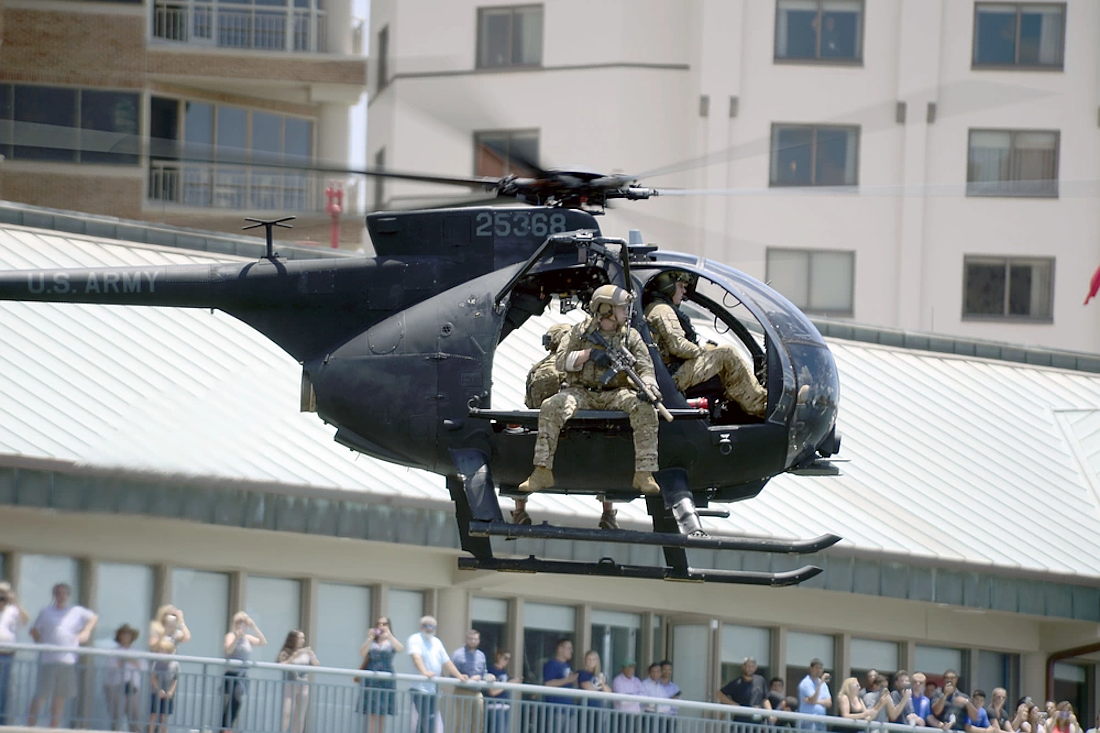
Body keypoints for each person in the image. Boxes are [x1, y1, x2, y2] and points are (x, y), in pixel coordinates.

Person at [518, 284, 662, 530]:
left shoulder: (631, 336)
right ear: (605, 309)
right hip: (581, 391)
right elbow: (562, 361)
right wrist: (588, 355)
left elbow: (646, 368)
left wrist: (649, 386)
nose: (626, 312)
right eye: (620, 308)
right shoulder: (580, 332)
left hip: (616, 393)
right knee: (551, 406)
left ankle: (644, 473)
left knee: (645, 409)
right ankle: (542, 470)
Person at [643, 270, 767, 418]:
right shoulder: (662, 309)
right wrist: (702, 352)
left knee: (717, 356)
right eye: (681, 286)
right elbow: (679, 346)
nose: (684, 291)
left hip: (669, 373)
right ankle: (760, 405)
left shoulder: (654, 308)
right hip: (673, 376)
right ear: (667, 287)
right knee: (726, 353)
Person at [512, 322, 573, 526]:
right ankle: (608, 512)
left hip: (541, 440)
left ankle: (519, 510)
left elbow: (530, 404)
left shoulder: (537, 370)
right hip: (576, 435)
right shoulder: (574, 368)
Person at [28, 582, 98, 728]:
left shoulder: (76, 610)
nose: (62, 596)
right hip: (49, 660)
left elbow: (93, 617)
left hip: (68, 660)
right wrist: (41, 643)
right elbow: (34, 630)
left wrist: (86, 632)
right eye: (59, 593)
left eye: (65, 593)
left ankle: (53, 727)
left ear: (68, 595)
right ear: (54, 595)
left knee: (60, 696)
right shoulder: (46, 611)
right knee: (41, 694)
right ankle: (30, 726)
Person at [407, 615, 466, 733]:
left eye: (432, 626)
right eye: (427, 626)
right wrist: (425, 672)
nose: (429, 628)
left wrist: (459, 675)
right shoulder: (415, 639)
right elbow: (416, 657)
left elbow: (447, 661)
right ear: (421, 627)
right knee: (428, 720)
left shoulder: (437, 642)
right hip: (419, 689)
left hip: (433, 690)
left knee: (424, 723)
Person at [221, 611, 267, 733]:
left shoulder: (247, 638)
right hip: (231, 674)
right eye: (239, 622)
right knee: (234, 701)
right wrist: (237, 637)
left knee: (236, 701)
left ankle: (226, 728)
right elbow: (228, 650)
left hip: (242, 676)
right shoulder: (230, 636)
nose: (242, 625)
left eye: (244, 623)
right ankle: (225, 728)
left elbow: (263, 642)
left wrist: (253, 627)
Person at [359, 615, 403, 733]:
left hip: (386, 678)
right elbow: (362, 653)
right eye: (379, 624)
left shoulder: (390, 641)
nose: (381, 626)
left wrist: (390, 635)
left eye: (384, 624)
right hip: (372, 678)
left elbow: (400, 648)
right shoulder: (373, 641)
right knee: (372, 713)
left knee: (382, 714)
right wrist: (369, 638)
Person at [105, 623, 145, 733]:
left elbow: (143, 667)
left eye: (128, 634)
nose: (125, 637)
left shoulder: (137, 651)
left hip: (133, 686)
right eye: (123, 634)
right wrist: (125, 660)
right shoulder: (114, 651)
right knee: (117, 714)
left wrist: (128, 660)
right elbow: (111, 666)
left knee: (134, 715)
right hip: (117, 685)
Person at [277, 630, 319, 733]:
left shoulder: (305, 653)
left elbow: (316, 664)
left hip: (303, 685)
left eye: (303, 638)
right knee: (287, 712)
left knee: (300, 715)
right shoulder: (286, 651)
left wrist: (312, 656)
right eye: (300, 638)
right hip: (290, 684)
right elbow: (281, 665)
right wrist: (294, 656)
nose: (302, 641)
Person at [0, 582, 29, 726]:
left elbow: (25, 620)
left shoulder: (12, 610)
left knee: (4, 689)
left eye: (3, 596)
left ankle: (2, 722)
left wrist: (15, 602)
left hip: (6, 655)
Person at [451, 630, 490, 733]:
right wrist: (464, 678)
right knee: (461, 725)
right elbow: (452, 675)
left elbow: (484, 673)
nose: (473, 641)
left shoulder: (481, 655)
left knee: (478, 724)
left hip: (477, 693)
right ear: (466, 639)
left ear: (479, 640)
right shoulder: (457, 654)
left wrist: (489, 677)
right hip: (462, 691)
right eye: (470, 639)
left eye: (475, 639)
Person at [543, 638, 580, 733]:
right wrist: (567, 680)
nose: (571, 651)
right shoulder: (552, 664)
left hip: (570, 709)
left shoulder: (567, 665)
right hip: (557, 710)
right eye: (569, 648)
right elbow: (548, 683)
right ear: (560, 649)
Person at [718, 656, 767, 723]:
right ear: (743, 667)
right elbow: (719, 694)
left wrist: (770, 713)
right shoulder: (737, 683)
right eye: (748, 666)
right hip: (741, 721)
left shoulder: (760, 680)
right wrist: (734, 705)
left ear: (756, 668)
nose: (750, 669)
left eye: (752, 667)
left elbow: (765, 699)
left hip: (757, 721)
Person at [146, 638, 178, 733]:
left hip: (168, 694)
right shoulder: (156, 663)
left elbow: (175, 679)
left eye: (164, 650)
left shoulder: (175, 664)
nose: (162, 652)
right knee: (153, 715)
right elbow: (153, 677)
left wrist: (171, 691)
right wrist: (159, 690)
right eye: (161, 650)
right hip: (156, 693)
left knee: (164, 717)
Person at [486, 649, 521, 733]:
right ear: (498, 657)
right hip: (495, 706)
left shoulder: (504, 672)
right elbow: (492, 691)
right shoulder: (491, 670)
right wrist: (508, 684)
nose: (507, 661)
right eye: (505, 658)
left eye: (509, 659)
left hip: (504, 706)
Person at [577, 650, 610, 733]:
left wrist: (602, 684)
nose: (591, 661)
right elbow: (588, 687)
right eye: (589, 659)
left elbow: (609, 692)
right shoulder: (582, 673)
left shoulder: (600, 675)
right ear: (585, 661)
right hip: (586, 708)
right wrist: (601, 691)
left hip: (599, 707)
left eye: (593, 659)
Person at [796, 658, 831, 732]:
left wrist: (815, 702)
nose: (818, 670)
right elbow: (813, 699)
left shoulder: (824, 684)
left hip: (821, 720)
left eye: (820, 668)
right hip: (808, 720)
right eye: (816, 668)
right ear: (811, 669)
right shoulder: (806, 682)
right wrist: (820, 683)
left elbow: (829, 703)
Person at [611, 659, 645, 733]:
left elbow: (643, 696)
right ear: (622, 668)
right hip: (622, 716)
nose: (630, 669)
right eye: (628, 667)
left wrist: (630, 695)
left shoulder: (637, 681)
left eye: (632, 667)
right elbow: (622, 701)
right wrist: (636, 696)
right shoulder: (617, 681)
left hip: (636, 715)